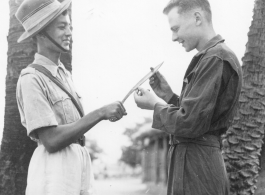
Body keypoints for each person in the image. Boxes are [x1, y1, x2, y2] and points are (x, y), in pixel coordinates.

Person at [15, 0, 127, 194]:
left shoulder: (63, 74)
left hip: (77, 163)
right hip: (54, 170)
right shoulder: (31, 78)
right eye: (61, 27)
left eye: (70, 27)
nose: (69, 33)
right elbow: (50, 140)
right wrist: (100, 113)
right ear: (40, 33)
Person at [134, 0, 242, 194]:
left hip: (198, 166)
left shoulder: (215, 58)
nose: (174, 37)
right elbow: (197, 117)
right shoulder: (211, 57)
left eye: (176, 29)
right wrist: (167, 96)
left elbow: (190, 123)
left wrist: (155, 105)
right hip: (195, 163)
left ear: (197, 18)